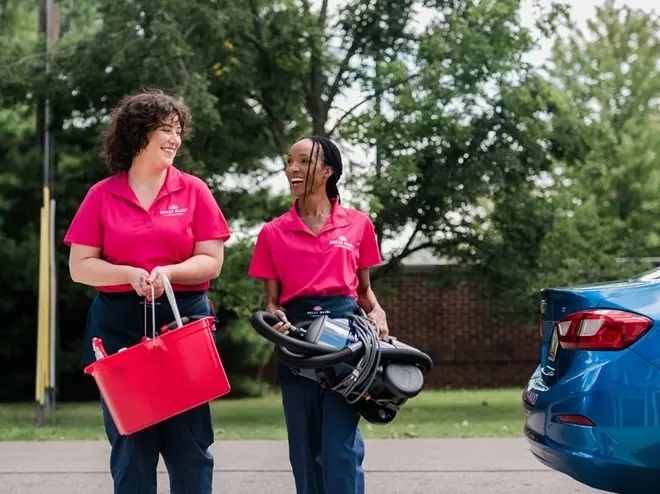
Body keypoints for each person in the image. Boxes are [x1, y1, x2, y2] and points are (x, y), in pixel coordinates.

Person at [63, 89, 231, 494]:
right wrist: (128, 274)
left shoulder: (193, 190)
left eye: (178, 131)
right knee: (131, 447)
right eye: (166, 130)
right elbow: (80, 266)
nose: (175, 139)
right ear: (138, 135)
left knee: (189, 445)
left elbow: (211, 260)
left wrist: (168, 272)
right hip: (119, 327)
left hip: (182, 323)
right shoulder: (102, 194)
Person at [247, 135, 389, 494]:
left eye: (304, 162)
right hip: (296, 343)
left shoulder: (357, 224)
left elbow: (365, 292)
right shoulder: (272, 233)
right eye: (289, 162)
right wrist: (276, 317)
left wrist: (378, 313)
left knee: (339, 449)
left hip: (348, 346)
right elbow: (272, 303)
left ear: (328, 171)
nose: (292, 169)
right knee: (305, 451)